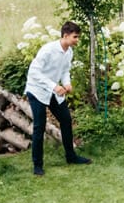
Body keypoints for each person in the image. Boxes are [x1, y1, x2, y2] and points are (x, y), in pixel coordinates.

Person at [24, 20, 92, 175]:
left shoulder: (69, 52)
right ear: (65, 35)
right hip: (37, 90)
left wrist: (67, 84)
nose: (77, 40)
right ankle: (37, 165)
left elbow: (65, 71)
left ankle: (71, 157)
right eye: (75, 37)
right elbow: (34, 72)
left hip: (53, 91)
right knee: (39, 127)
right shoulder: (48, 50)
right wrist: (54, 86)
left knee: (66, 120)